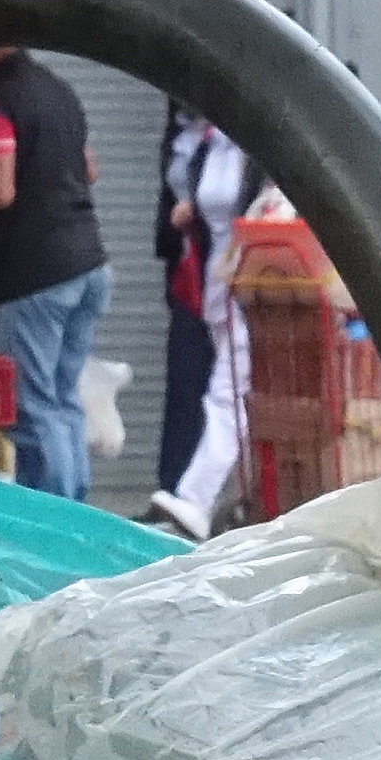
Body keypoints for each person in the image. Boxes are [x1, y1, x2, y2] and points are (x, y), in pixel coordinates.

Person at [0, 43, 114, 498]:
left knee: (33, 409)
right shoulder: (59, 91)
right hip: (87, 264)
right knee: (63, 400)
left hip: (33, 276)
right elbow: (87, 170)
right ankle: (74, 519)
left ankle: (48, 522)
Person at [149, 106, 262, 540]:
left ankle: (197, 496)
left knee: (228, 390)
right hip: (217, 278)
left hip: (252, 277)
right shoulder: (211, 142)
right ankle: (222, 497)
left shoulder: (259, 147)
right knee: (232, 390)